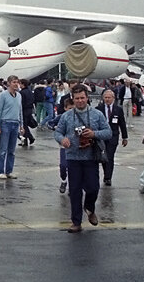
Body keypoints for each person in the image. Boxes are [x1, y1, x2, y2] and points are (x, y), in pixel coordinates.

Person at [54, 83, 111, 233]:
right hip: (73, 157)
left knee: (93, 188)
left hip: (91, 157)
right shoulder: (66, 116)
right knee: (75, 191)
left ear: (87, 98)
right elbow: (57, 132)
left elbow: (108, 132)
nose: (80, 101)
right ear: (73, 99)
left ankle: (89, 208)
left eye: (82, 98)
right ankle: (76, 222)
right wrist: (62, 140)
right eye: (77, 98)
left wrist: (94, 134)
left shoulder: (97, 114)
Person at [0, 75, 22, 180]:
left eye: (17, 82)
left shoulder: (19, 95)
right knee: (3, 149)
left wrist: (22, 125)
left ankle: (9, 171)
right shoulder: (3, 95)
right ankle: (0, 171)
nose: (16, 84)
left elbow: (20, 111)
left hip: (15, 123)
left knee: (12, 150)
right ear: (9, 83)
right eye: (14, 82)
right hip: (5, 123)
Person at [96, 88, 128, 186]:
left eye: (109, 97)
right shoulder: (98, 109)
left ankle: (108, 177)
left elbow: (122, 124)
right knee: (103, 157)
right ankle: (106, 173)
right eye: (105, 97)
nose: (107, 99)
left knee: (110, 156)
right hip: (101, 136)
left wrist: (125, 137)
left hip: (113, 136)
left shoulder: (118, 110)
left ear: (113, 98)